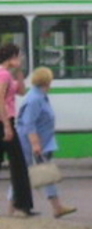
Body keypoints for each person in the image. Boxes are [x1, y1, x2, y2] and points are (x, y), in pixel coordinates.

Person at [16, 66, 76, 218]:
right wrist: (36, 144)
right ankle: (15, 209)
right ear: (46, 81)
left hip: (42, 141)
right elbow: (29, 123)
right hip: (33, 143)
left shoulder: (40, 96)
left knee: (40, 174)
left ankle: (57, 207)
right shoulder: (35, 98)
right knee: (24, 175)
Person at [0, 43, 35, 217]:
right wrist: (7, 126)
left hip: (6, 121)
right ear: (12, 57)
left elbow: (21, 91)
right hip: (4, 122)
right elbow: (0, 101)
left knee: (18, 164)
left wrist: (20, 72)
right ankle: (23, 205)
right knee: (19, 165)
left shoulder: (8, 74)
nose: (20, 59)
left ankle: (23, 205)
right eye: (18, 56)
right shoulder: (3, 74)